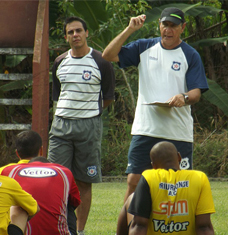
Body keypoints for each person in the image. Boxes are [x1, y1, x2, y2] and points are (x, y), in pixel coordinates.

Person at [102, 7, 209, 202]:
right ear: (159, 24)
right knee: (134, 181)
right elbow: (108, 55)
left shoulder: (190, 55)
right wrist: (129, 30)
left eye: (173, 26)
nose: (168, 30)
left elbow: (196, 92)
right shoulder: (144, 47)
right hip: (145, 129)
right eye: (164, 25)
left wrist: (183, 98)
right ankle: (128, 228)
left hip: (177, 131)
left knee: (178, 184)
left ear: (182, 28)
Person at [47, 16, 116, 234]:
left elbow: (107, 97)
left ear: (86, 33)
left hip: (89, 127)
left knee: (84, 181)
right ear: (66, 36)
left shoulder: (101, 61)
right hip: (60, 126)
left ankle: (79, 230)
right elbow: (57, 95)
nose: (75, 35)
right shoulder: (59, 62)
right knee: (54, 179)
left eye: (78, 31)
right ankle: (56, 227)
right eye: (70, 32)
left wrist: (89, 113)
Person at [117, 141, 215, 235]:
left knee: (131, 198)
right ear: (179, 157)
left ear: (153, 165)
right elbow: (204, 227)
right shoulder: (200, 178)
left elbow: (139, 225)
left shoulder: (148, 177)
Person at [1, 156, 81, 235]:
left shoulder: (7, 171)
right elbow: (75, 202)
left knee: (14, 205)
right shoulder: (64, 171)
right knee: (21, 208)